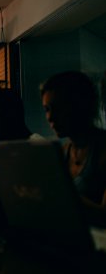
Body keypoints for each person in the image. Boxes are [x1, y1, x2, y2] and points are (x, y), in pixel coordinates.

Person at [41, 71, 106, 226]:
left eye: (58, 108)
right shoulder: (63, 152)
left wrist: (59, 194)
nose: (50, 117)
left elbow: (104, 217)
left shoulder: (102, 150)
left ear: (80, 105)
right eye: (47, 109)